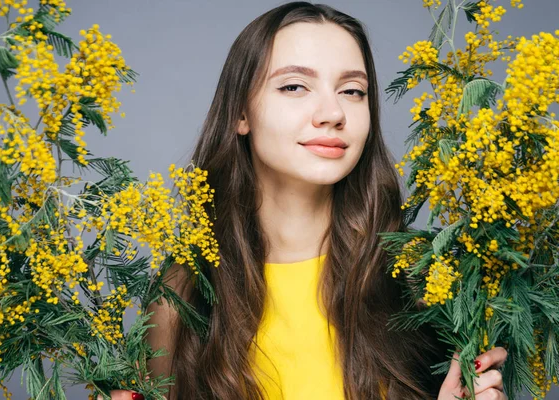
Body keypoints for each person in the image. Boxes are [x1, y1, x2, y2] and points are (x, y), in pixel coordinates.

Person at [105, 2, 508, 399]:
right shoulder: (184, 292)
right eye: (294, 86)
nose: (332, 112)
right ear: (241, 112)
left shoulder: (425, 280)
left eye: (352, 91)